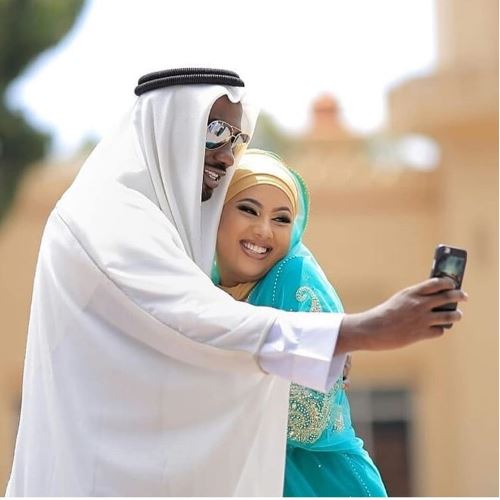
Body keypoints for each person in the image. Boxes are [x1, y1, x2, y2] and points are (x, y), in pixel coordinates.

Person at [6, 68, 466, 497]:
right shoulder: (112, 214)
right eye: (214, 132)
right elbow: (197, 320)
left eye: (237, 139)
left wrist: (318, 351)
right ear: (170, 126)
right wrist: (361, 330)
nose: (227, 156)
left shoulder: (161, 224)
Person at [214, 149, 387, 496]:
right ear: (215, 213)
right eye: (248, 209)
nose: (264, 230)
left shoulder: (292, 275)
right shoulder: (196, 291)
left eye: (281, 219)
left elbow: (309, 420)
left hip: (323, 484)